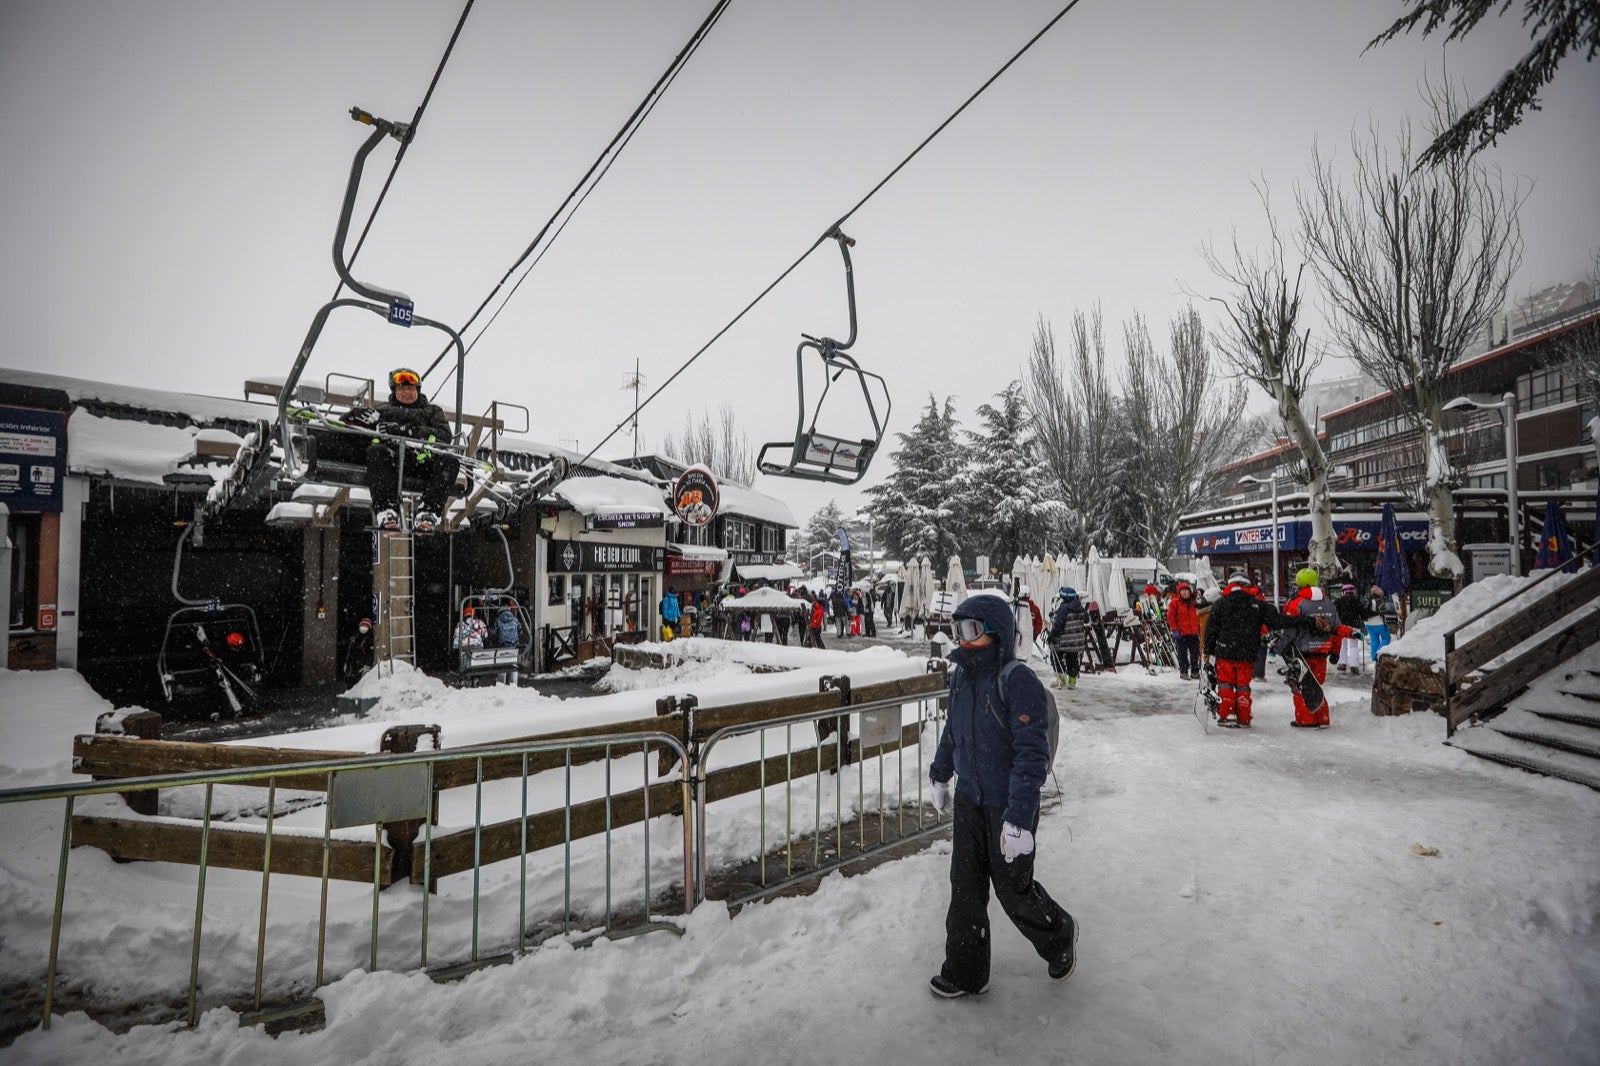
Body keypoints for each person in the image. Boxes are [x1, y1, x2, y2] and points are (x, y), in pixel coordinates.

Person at [927, 594, 1076, 999]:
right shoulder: (961, 677)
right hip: (969, 800)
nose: (962, 639)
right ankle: (966, 972)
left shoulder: (1017, 680)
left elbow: (1032, 754)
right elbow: (953, 731)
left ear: (996, 632)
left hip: (1008, 805)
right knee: (965, 887)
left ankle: (1060, 934)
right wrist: (940, 774)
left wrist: (1019, 818)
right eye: (957, 630)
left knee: (1014, 891)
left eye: (970, 629)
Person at [346, 367, 461, 533]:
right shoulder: (382, 411)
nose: (407, 392)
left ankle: (428, 512)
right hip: (393, 462)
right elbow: (347, 429)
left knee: (450, 461)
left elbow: (444, 436)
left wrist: (409, 431)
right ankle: (387, 510)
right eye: (402, 389)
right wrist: (354, 415)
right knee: (376, 451)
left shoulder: (432, 412)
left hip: (423, 462)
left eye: (411, 389)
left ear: (418, 391)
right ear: (394, 391)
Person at [1203, 572, 1324, 728]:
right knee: (1243, 685)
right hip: (1247, 653)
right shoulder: (1257, 604)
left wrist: (1207, 650)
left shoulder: (1220, 604)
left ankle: (1228, 714)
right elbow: (1279, 621)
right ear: (1247, 585)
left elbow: (1211, 629)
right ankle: (1244, 717)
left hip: (1225, 652)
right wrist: (1308, 621)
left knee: (1225, 683)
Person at [1283, 568, 1356, 728]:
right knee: (1316, 685)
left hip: (1302, 652)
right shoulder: (1328, 603)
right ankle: (1322, 718)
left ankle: (1306, 719)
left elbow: (1289, 629)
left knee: (1300, 685)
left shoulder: (1297, 603)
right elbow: (1337, 629)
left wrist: (1282, 647)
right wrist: (1335, 651)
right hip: (1322, 652)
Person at [1046, 586, 1088, 689]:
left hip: (1063, 641)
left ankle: (1062, 679)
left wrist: (1051, 636)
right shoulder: (1080, 607)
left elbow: (1058, 625)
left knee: (1056, 658)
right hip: (1076, 642)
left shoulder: (1064, 608)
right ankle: (1072, 682)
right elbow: (1086, 619)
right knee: (1072, 660)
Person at [1166, 582, 1202, 680]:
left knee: (1195, 654)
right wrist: (1174, 629)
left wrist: (1199, 629)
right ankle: (1184, 672)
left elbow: (1199, 615)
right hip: (1181, 633)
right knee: (1182, 654)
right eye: (1182, 591)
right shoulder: (1175, 602)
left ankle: (1195, 671)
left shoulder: (1194, 602)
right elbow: (1170, 617)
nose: (1185, 593)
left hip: (1193, 632)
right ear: (1179, 592)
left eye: (1186, 590)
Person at [1334, 583, 1368, 674]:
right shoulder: (1357, 601)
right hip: (1355, 626)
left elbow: (1334, 613)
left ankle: (1342, 664)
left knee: (1342, 645)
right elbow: (1363, 614)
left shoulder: (1339, 601)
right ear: (1353, 591)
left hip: (1342, 626)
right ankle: (1354, 666)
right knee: (1354, 646)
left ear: (1343, 592)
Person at [492, 600, 521, 686]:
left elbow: (494, 633)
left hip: (503, 645)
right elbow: (520, 631)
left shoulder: (498, 620)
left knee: (502, 663)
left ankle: (501, 682)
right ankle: (513, 682)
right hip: (513, 645)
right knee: (513, 663)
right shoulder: (515, 620)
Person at [343, 616, 374, 684]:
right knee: (351, 681)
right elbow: (350, 652)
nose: (364, 627)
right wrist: (347, 663)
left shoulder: (370, 639)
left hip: (363, 666)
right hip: (354, 665)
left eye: (366, 625)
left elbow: (370, 654)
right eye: (363, 625)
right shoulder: (355, 638)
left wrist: (368, 665)